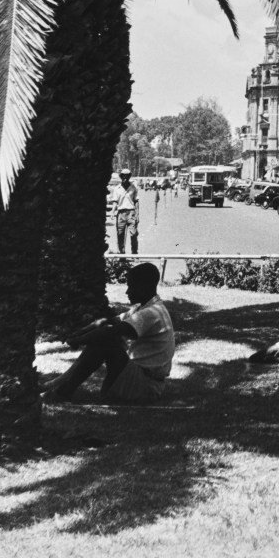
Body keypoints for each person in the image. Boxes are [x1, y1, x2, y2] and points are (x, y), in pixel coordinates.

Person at [45, 263, 175, 403]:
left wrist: (78, 340)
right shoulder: (143, 308)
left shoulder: (151, 313)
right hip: (140, 379)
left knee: (107, 340)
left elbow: (110, 331)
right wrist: (78, 333)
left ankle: (62, 391)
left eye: (131, 287)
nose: (127, 292)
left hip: (146, 387)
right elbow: (106, 322)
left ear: (143, 287)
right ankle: (59, 388)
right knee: (106, 338)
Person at [111, 170, 140, 254]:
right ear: (121, 177)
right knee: (120, 234)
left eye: (127, 176)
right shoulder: (117, 189)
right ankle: (121, 254)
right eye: (123, 176)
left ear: (129, 177)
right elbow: (115, 201)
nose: (125, 178)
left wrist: (137, 214)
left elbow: (136, 201)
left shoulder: (133, 187)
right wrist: (113, 212)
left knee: (133, 234)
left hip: (131, 213)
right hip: (121, 213)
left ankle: (134, 253)